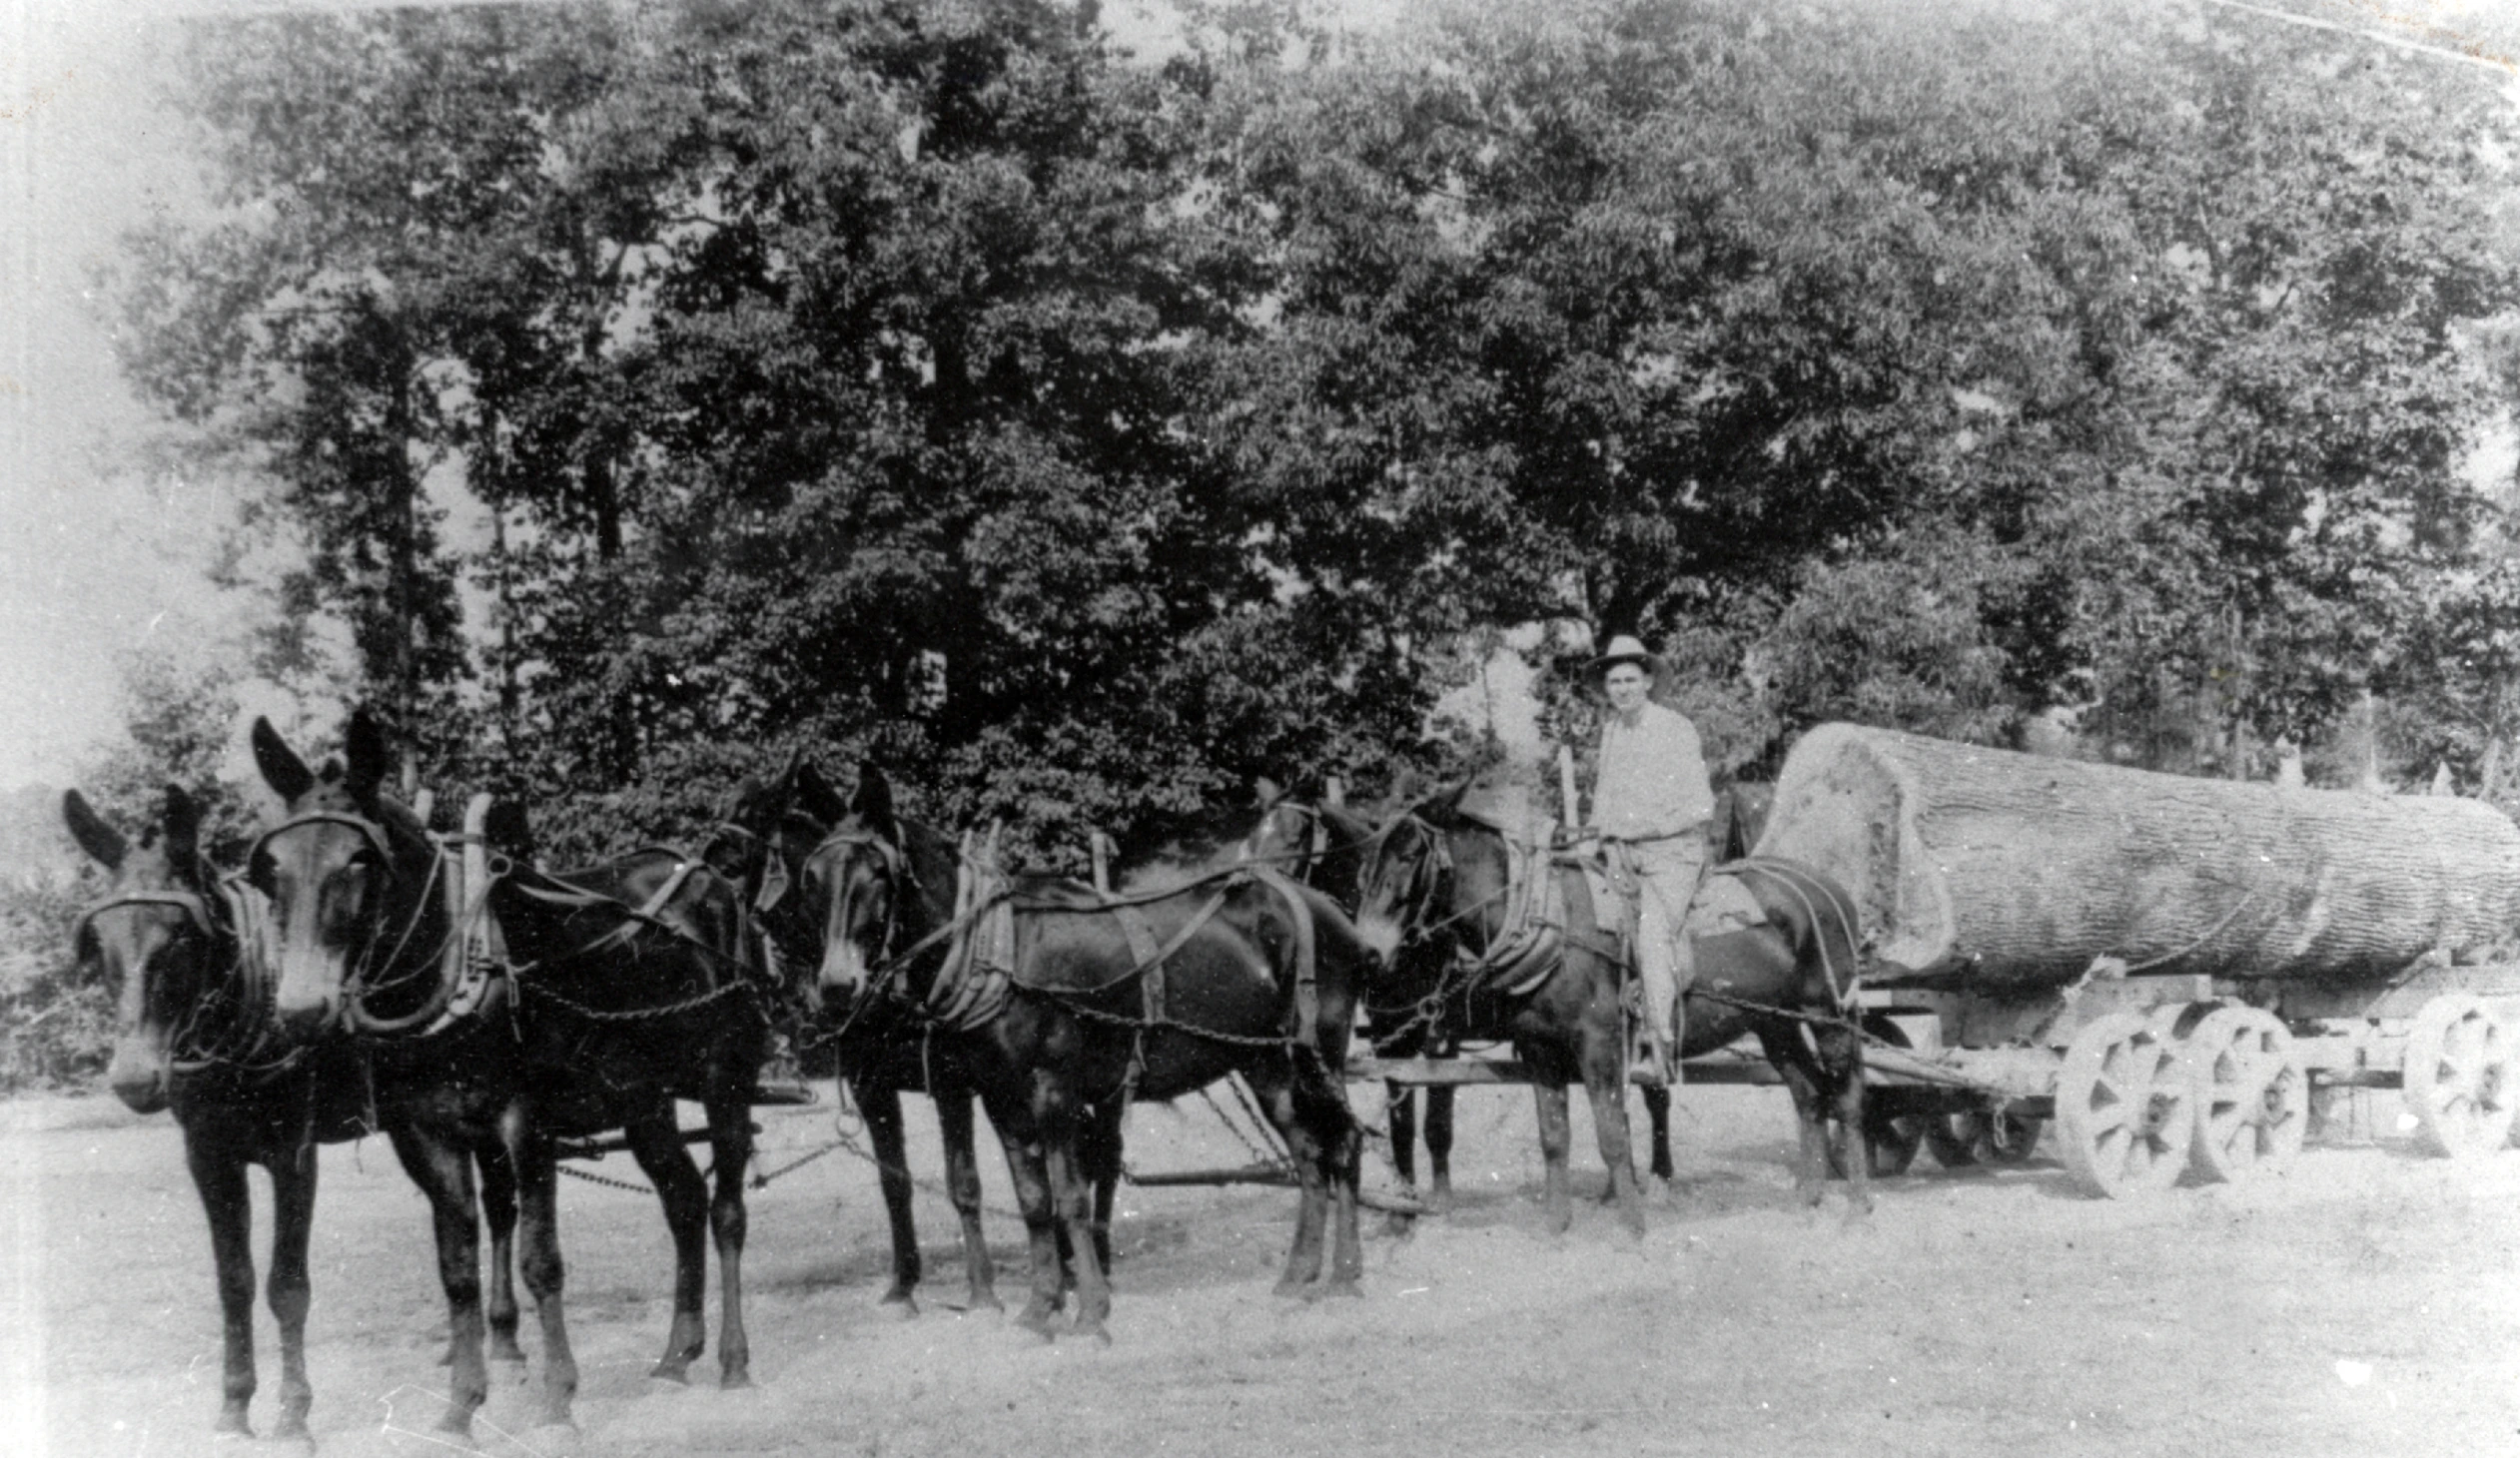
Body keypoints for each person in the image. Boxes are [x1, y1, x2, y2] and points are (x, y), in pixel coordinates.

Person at [1586, 634, 1714, 1088]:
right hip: (1620, 854)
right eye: (1614, 681)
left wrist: (1639, 829)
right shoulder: (1611, 732)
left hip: (1672, 855)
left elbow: (1701, 806)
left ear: (1647, 682)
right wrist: (1596, 838)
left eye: (1630, 680)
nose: (1621, 689)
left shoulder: (1675, 728)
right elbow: (1603, 802)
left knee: (1652, 930)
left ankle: (1654, 1041)